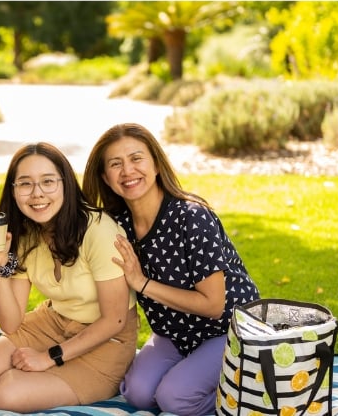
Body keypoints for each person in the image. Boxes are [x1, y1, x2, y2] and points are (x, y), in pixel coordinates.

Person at [0, 142, 138, 413]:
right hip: (53, 322)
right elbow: (11, 323)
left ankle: (34, 372)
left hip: (105, 341)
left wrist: (48, 357)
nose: (37, 194)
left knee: (4, 394)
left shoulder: (99, 231)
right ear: (13, 190)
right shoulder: (26, 232)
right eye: (25, 184)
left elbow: (114, 320)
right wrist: (1, 267)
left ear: (65, 184)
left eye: (48, 181)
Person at [83, 123, 260, 416]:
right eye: (116, 164)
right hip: (175, 334)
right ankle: (202, 377)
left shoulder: (193, 217)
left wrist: (142, 283)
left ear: (155, 164)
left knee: (174, 399)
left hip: (230, 329)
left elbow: (214, 305)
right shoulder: (116, 226)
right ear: (105, 177)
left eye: (136, 158)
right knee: (137, 394)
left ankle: (253, 397)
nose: (127, 171)